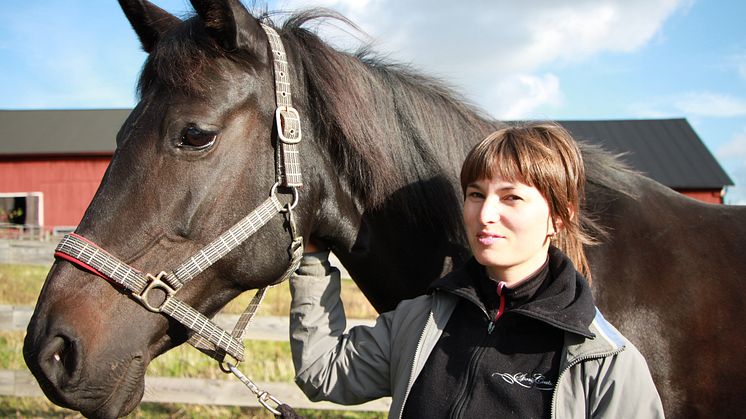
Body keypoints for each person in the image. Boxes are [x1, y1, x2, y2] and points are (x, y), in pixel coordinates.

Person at [289, 123, 664, 418]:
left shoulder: (604, 362)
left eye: (511, 197)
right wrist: (311, 259)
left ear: (559, 217)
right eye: (476, 194)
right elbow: (325, 371)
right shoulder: (421, 321)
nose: (485, 215)